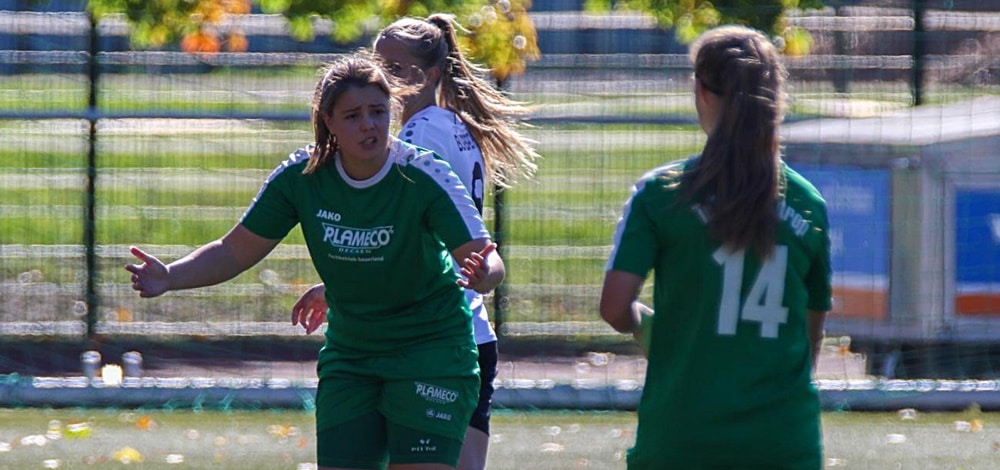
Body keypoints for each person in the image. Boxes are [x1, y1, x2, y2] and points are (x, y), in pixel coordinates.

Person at [126, 53, 505, 470]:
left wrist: (483, 274)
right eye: (354, 115)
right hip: (352, 355)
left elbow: (488, 262)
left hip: (430, 352)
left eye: (378, 112)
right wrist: (170, 276)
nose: (369, 125)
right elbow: (235, 249)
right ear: (329, 121)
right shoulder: (302, 177)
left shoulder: (424, 175)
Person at [291, 14, 538, 470]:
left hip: (439, 332)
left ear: (428, 75)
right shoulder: (456, 124)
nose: (381, 74)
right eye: (376, 61)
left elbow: (410, 232)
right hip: (469, 327)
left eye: (394, 66)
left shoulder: (418, 136)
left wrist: (348, 282)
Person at [598, 25, 832, 469]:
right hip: (783, 440)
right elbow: (810, 336)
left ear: (701, 91)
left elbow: (614, 307)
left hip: (683, 436)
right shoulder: (809, 204)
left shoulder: (661, 194)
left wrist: (653, 328)